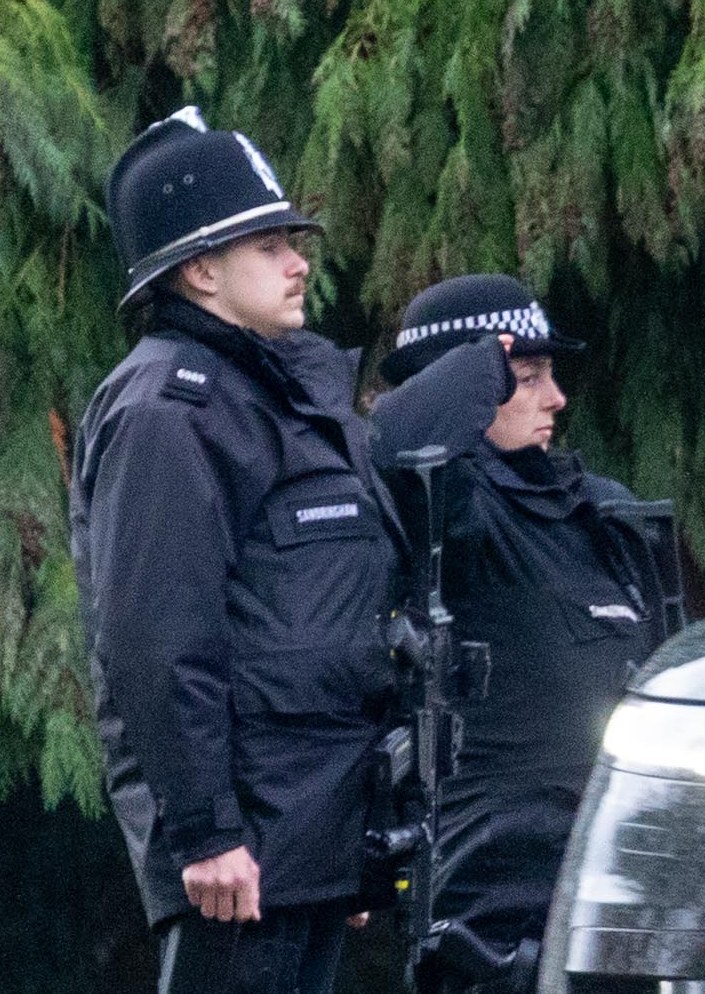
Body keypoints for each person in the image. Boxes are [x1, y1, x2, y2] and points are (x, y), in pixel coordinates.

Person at [70, 107, 405, 993]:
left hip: (307, 841)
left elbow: (324, 619)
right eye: (269, 244)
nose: (300, 262)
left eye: (295, 240)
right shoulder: (166, 411)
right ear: (202, 269)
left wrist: (350, 833)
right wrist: (208, 832)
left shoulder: (277, 393)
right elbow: (156, 638)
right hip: (240, 858)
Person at [370, 274, 683, 993]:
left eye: (552, 376)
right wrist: (480, 362)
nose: (556, 400)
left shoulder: (603, 514)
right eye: (527, 378)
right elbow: (395, 443)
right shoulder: (444, 512)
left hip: (622, 873)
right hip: (491, 894)